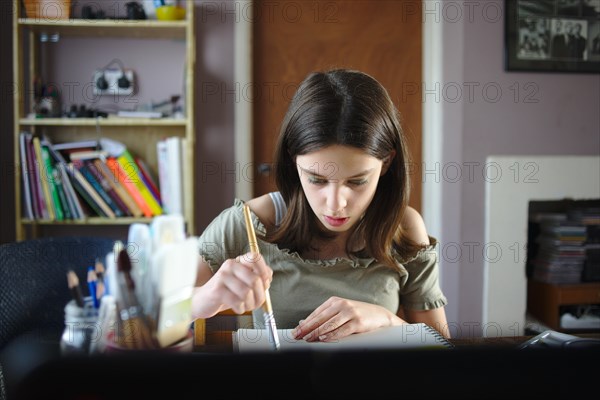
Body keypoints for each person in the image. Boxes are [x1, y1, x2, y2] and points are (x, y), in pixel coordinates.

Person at [192, 69, 450, 341]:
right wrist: (203, 299)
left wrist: (387, 320)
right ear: (293, 160)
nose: (336, 203)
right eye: (316, 179)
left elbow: (441, 344)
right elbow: (160, 316)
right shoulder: (248, 222)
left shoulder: (405, 227)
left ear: (386, 163)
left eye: (357, 181)